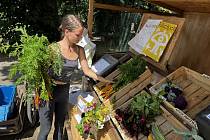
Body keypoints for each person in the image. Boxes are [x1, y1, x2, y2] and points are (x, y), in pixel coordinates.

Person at [38, 14, 113, 140]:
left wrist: (103, 79)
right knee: (45, 129)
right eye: (77, 35)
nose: (80, 38)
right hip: (48, 92)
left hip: (64, 91)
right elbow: (41, 74)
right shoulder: (52, 49)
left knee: (60, 125)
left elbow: (87, 70)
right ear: (67, 32)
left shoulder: (79, 50)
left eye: (81, 34)